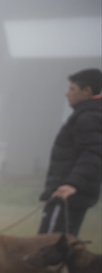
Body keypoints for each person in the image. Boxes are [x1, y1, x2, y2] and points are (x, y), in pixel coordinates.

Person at [37, 68, 102, 237]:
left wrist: (72, 184)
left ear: (87, 91)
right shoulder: (87, 115)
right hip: (66, 193)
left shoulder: (88, 117)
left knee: (48, 244)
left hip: (66, 195)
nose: (67, 94)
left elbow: (93, 153)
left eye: (72, 89)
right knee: (59, 245)